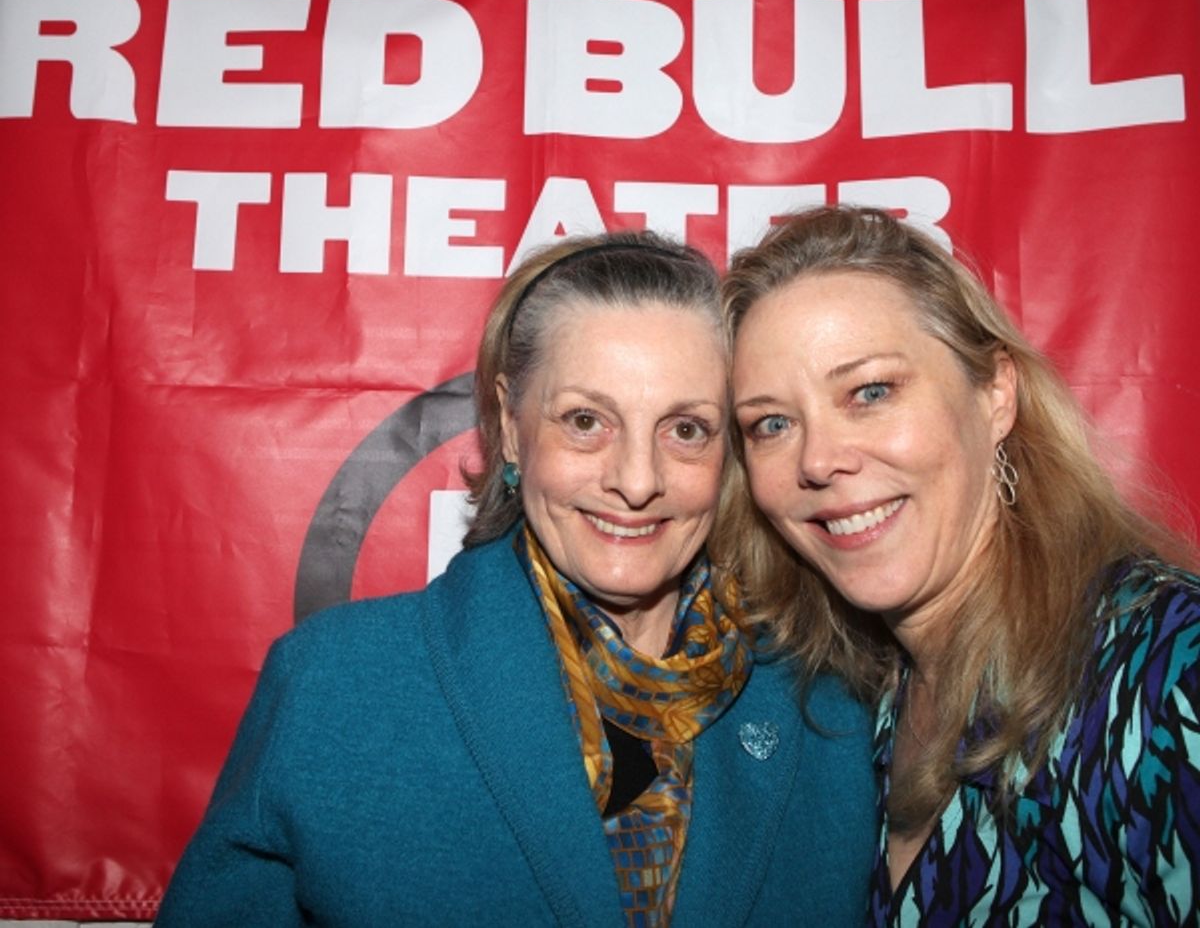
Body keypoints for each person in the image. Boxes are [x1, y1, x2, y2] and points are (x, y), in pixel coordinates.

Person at [156, 231, 876, 927]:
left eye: (685, 429)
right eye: (586, 420)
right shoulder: (336, 683)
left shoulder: (828, 699)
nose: (636, 481)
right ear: (511, 420)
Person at [716, 204, 1200, 926]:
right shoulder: (847, 704)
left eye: (870, 392)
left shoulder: (1170, 675)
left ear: (995, 393)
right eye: (772, 425)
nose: (817, 459)